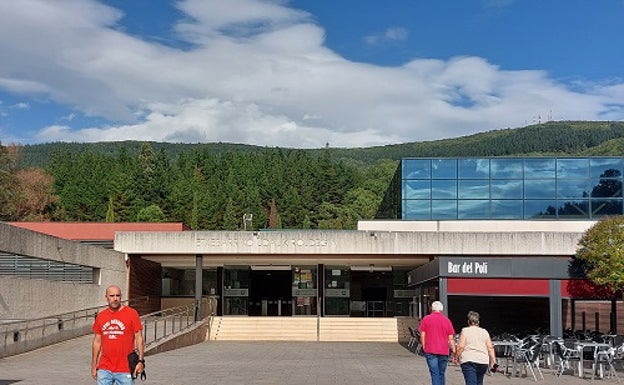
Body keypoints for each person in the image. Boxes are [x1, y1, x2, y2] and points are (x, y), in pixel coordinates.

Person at [91, 285, 145, 384]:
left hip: (125, 368)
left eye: (118, 295)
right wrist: (94, 365)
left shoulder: (131, 314)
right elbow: (97, 342)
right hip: (104, 368)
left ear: (121, 297)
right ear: (106, 297)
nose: (115, 299)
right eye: (111, 296)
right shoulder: (101, 316)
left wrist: (141, 361)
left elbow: (139, 338)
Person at [453, 311, 497, 385]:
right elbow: (490, 348)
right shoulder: (484, 332)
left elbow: (461, 346)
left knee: (470, 382)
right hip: (483, 361)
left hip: (469, 360)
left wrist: (456, 357)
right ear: (478, 322)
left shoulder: (465, 331)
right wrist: (494, 362)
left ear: (468, 321)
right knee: (479, 382)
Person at [419, 300, 456, 385]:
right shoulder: (447, 321)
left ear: (432, 309)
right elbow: (451, 338)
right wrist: (454, 350)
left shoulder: (426, 319)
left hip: (430, 349)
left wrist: (424, 346)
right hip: (443, 350)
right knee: (441, 373)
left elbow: (423, 334)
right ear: (441, 310)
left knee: (434, 373)